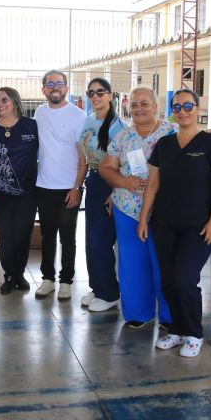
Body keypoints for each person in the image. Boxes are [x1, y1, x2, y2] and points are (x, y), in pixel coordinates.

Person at [137, 89, 211, 358]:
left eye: (188, 106)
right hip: (164, 224)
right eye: (177, 107)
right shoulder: (164, 145)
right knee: (168, 281)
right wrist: (143, 218)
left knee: (184, 279)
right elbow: (153, 185)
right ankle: (177, 330)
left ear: (198, 108)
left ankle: (194, 333)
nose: (182, 111)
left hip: (198, 226)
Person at [99, 86, 176, 330]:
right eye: (134, 104)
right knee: (132, 263)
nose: (139, 109)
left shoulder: (172, 132)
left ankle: (170, 317)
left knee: (165, 263)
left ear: (156, 106)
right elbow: (105, 168)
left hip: (164, 210)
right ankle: (138, 313)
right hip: (128, 209)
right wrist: (123, 182)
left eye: (144, 103)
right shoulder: (123, 137)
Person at [0, 87, 39, 294]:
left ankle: (19, 273)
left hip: (28, 192)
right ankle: (10, 275)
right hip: (0, 193)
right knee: (7, 234)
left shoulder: (31, 126)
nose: (0, 104)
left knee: (23, 233)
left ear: (15, 101)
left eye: (4, 100)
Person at [33, 70, 87, 301]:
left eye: (59, 83)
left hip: (68, 188)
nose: (55, 87)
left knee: (67, 238)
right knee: (47, 236)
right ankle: (47, 279)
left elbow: (84, 157)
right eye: (50, 83)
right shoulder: (39, 113)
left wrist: (76, 187)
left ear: (66, 87)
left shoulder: (79, 116)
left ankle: (66, 281)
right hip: (44, 186)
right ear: (43, 89)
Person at [78, 77, 125, 312]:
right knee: (92, 241)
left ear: (110, 95)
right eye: (91, 93)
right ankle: (97, 287)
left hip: (110, 184)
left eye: (100, 92)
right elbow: (84, 155)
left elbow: (125, 163)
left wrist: (115, 192)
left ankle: (109, 293)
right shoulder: (89, 120)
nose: (95, 96)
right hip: (94, 181)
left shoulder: (118, 126)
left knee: (102, 241)